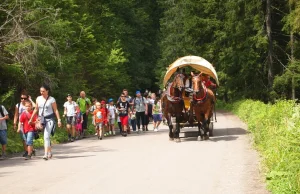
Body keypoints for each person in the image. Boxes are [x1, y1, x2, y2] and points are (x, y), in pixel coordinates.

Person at [29, 84, 62, 160]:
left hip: (49, 119)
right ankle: (49, 152)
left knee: (46, 136)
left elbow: (55, 110)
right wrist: (31, 118)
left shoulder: (51, 99)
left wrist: (59, 119)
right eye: (40, 91)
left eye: (43, 91)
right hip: (41, 120)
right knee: (46, 137)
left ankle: (45, 154)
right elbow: (36, 109)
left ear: (47, 91)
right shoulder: (38, 99)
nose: (41, 93)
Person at [13, 92, 36, 157]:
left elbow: (35, 106)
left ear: (27, 98)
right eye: (21, 98)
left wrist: (30, 100)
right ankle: (27, 150)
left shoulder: (29, 104)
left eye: (24, 98)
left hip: (29, 124)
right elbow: (16, 115)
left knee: (28, 139)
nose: (23, 99)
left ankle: (29, 151)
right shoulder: (18, 105)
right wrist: (15, 124)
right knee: (24, 139)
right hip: (21, 124)